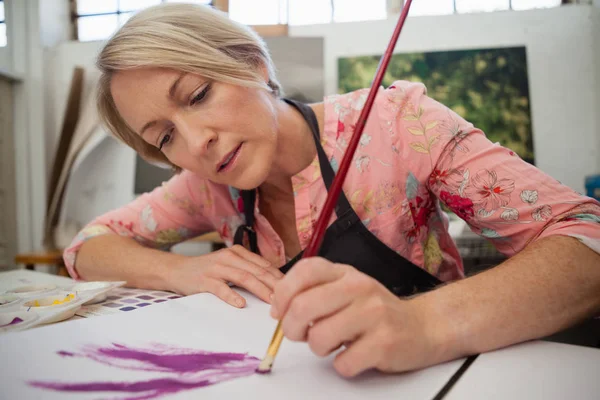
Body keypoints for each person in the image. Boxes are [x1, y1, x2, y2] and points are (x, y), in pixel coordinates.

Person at [65, 3, 600, 378]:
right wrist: (181, 270)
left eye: (199, 94)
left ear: (250, 62)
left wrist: (422, 323)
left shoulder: (396, 124)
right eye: (164, 137)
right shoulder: (207, 188)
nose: (196, 142)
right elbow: (86, 246)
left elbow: (588, 238)